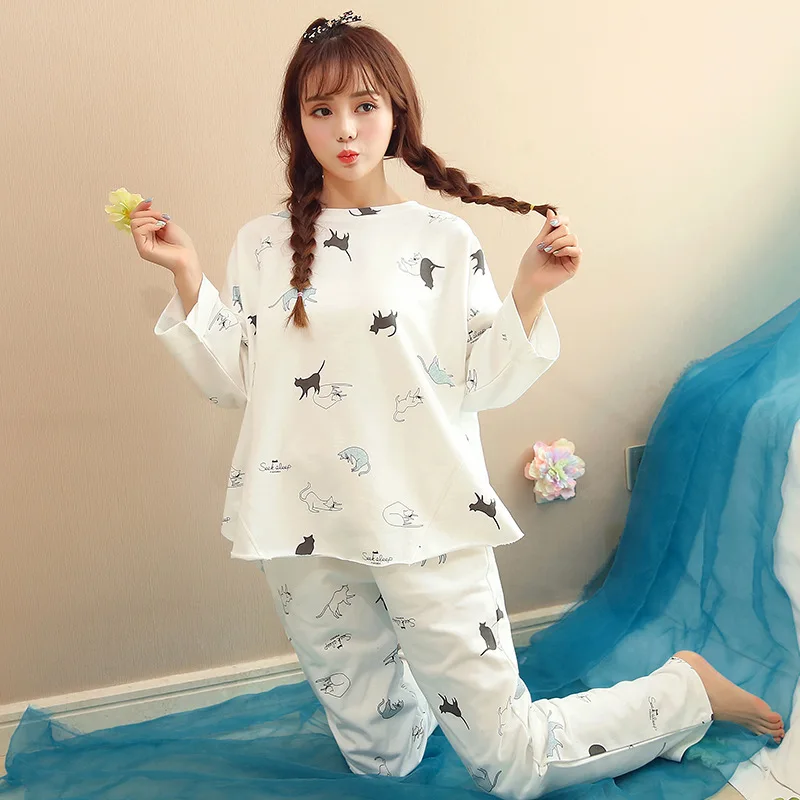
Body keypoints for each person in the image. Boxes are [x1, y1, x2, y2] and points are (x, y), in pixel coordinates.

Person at [129, 11, 785, 800]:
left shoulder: (441, 239)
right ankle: (413, 723)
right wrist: (187, 276)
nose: (345, 129)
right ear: (296, 123)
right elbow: (237, 380)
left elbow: (482, 381)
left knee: (511, 765)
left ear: (398, 111)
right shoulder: (260, 245)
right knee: (380, 763)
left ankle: (683, 692)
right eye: (321, 109)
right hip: (304, 529)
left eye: (365, 105)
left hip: (427, 517)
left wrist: (529, 294)